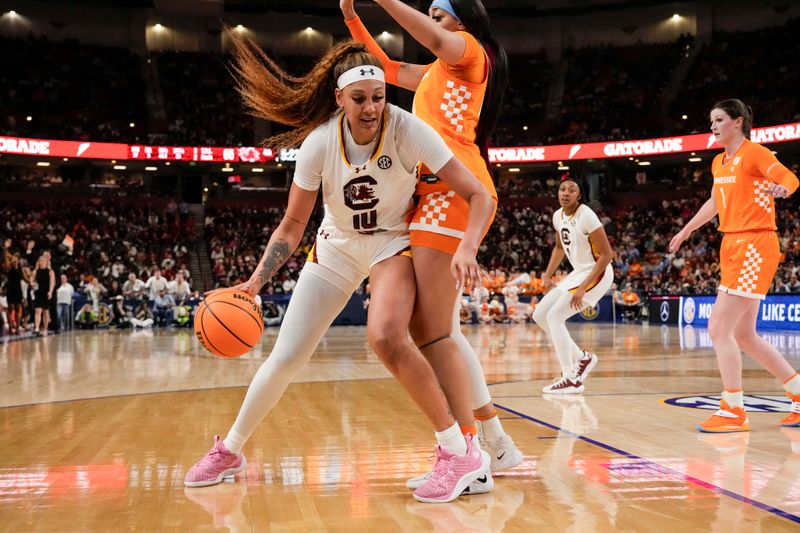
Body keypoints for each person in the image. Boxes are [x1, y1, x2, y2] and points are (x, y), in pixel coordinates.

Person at [184, 38, 496, 504]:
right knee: (285, 358)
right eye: (359, 99)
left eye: (378, 96)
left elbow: (480, 195)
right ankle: (229, 450)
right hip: (335, 248)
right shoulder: (319, 144)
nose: (371, 108)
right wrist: (254, 282)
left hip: (391, 244)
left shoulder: (409, 130)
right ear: (339, 98)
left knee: (388, 336)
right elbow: (292, 225)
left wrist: (468, 246)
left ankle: (457, 451)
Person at [341, 0, 523, 480]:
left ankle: (472, 451)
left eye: (436, 14)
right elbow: (380, 67)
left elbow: (435, 38)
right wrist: (350, 16)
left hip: (454, 190)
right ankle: (490, 443)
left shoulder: (469, 51)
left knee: (435, 334)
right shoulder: (434, 75)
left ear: (459, 20)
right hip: (430, 193)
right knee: (438, 333)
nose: (430, 22)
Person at [669, 99, 800, 432]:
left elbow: (787, 176)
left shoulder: (755, 153)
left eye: (719, 120)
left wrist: (783, 188)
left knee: (718, 328)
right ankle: (798, 394)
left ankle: (733, 409)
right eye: (711, 120)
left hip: (755, 244)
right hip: (732, 243)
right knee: (743, 335)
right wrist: (686, 230)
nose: (712, 126)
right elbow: (715, 201)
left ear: (738, 122)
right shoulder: (718, 162)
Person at [533, 177, 613, 394]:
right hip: (578, 273)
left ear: (579, 195)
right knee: (540, 315)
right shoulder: (557, 216)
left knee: (555, 317)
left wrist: (582, 287)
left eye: (571, 190)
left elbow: (607, 255)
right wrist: (547, 275)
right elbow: (559, 248)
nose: (565, 193)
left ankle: (570, 377)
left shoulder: (586, 214)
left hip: (598, 272)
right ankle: (582, 358)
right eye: (562, 189)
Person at [32, 255, 55, 336]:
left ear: (46, 262)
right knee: (37, 310)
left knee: (46, 311)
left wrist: (50, 292)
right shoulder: (35, 271)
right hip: (38, 292)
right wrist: (33, 284)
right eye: (40, 261)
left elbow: (52, 283)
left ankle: (45, 328)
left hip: (46, 292)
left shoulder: (50, 271)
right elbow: (32, 281)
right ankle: (37, 327)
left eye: (43, 261)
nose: (41, 262)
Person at [4, 254, 24, 335]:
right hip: (10, 289)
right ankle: (10, 327)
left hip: (18, 290)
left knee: (18, 308)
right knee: (10, 308)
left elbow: (24, 277)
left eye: (17, 258)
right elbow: (6, 263)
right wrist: (5, 253)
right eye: (14, 258)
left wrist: (30, 282)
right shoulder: (9, 267)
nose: (15, 259)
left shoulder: (20, 268)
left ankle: (17, 328)